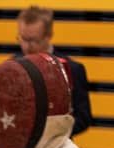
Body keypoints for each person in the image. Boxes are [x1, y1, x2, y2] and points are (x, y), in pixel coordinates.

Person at [17, 5, 91, 136]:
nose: (27, 47)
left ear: (49, 35)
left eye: (33, 40)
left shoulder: (72, 69)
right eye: (23, 39)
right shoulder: (11, 67)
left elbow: (83, 119)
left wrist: (52, 133)